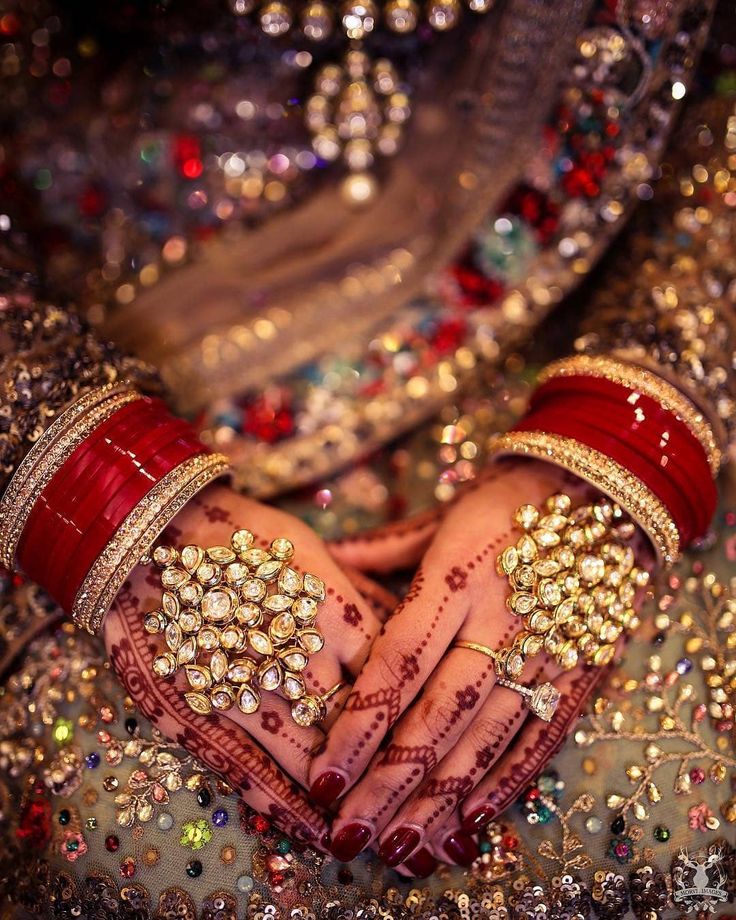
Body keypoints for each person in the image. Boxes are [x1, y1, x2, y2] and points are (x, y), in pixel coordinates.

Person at [0, 1, 734, 917]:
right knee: (139, 849)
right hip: (100, 362)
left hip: (571, 318)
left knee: (675, 799)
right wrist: (98, 490)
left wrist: (612, 454)